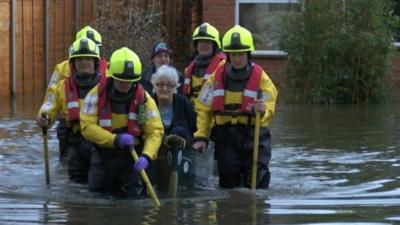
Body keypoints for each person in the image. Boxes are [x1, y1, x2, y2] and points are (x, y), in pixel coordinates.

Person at [192, 25, 278, 189]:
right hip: (227, 138)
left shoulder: (261, 78)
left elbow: (270, 102)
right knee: (229, 182)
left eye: (241, 54)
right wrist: (201, 136)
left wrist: (263, 109)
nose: (237, 58)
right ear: (228, 55)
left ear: (248, 54)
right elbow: (203, 109)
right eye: (234, 54)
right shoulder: (215, 78)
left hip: (254, 135)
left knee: (257, 180)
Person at [79, 47, 164, 197]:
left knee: (133, 198)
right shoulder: (96, 96)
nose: (125, 85)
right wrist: (115, 139)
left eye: (130, 82)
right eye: (121, 81)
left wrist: (147, 155)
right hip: (103, 155)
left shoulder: (142, 101)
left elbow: (154, 131)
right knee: (97, 197)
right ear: (112, 77)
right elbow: (87, 127)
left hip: (132, 158)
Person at [36, 37, 106, 184]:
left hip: (101, 144)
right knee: (76, 185)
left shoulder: (107, 86)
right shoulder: (61, 87)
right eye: (79, 59)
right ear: (73, 64)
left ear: (95, 62)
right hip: (76, 142)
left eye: (88, 59)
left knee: (98, 185)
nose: (84, 62)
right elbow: (49, 106)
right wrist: (45, 118)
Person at [150, 65, 197, 192]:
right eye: (160, 84)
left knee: (179, 131)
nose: (164, 88)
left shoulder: (184, 102)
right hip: (156, 151)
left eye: (169, 85)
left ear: (175, 87)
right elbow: (140, 124)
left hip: (182, 151)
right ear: (154, 85)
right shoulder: (146, 102)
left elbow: (195, 127)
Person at [183, 22, 226, 103]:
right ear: (196, 45)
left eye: (207, 42)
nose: (203, 45)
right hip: (192, 112)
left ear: (215, 45)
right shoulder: (189, 69)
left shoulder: (223, 66)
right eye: (201, 42)